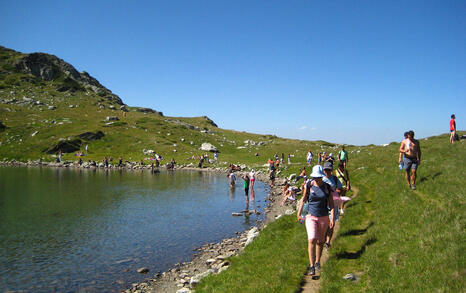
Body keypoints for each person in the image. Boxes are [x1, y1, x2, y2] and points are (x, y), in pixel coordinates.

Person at [297, 165, 335, 276]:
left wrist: (332, 218)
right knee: (312, 239)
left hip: (323, 217)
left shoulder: (327, 187)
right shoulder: (309, 185)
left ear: (322, 177)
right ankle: (312, 266)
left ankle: (318, 262)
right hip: (310, 216)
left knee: (320, 241)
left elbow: (331, 204)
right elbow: (303, 199)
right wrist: (299, 214)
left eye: (318, 177)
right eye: (315, 177)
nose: (316, 179)